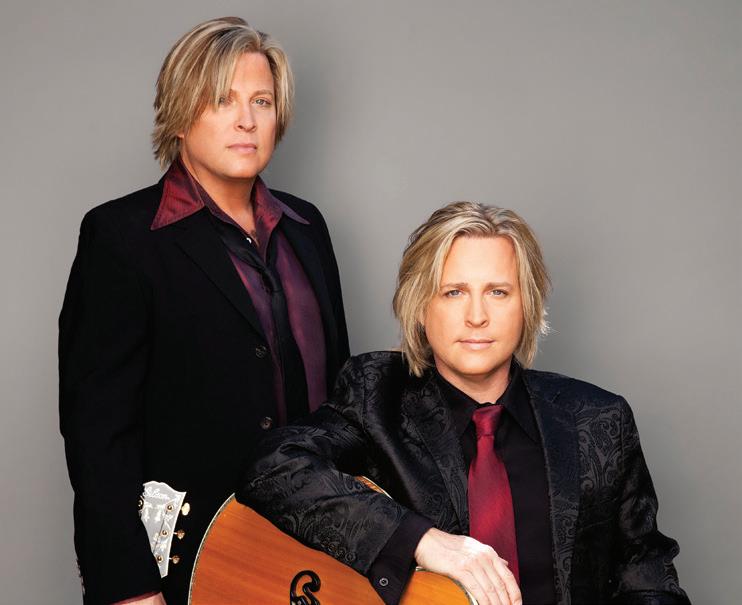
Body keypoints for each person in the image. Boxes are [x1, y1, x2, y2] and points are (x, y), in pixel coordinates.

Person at [240, 202, 690, 605]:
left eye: (498, 292)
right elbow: (273, 467)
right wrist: (421, 540)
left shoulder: (599, 421)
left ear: (528, 306)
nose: (477, 316)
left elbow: (648, 576)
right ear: (421, 306)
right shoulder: (374, 395)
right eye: (453, 292)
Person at [59, 17, 349, 605]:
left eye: (261, 101)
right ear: (180, 113)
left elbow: (343, 401)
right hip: (189, 564)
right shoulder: (121, 238)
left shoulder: (307, 227)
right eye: (222, 100)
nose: (247, 120)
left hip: (318, 561)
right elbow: (97, 436)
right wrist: (129, 587)